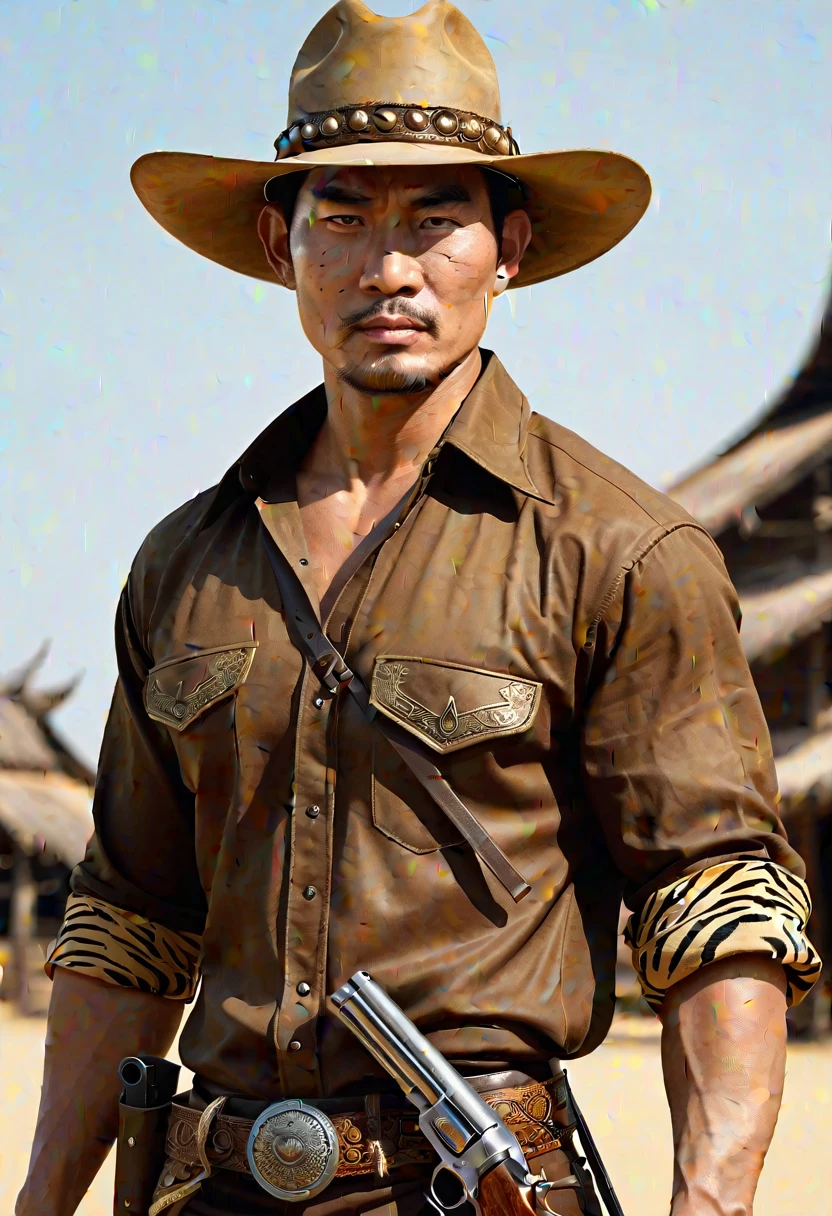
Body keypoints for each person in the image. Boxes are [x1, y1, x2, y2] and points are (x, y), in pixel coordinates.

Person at [17, 3, 821, 1215]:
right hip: (208, 1186)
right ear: (277, 242)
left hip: (470, 1184)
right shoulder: (183, 563)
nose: (387, 267)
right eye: (340, 217)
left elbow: (717, 909)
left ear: (508, 246)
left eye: (434, 220)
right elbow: (129, 918)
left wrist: (707, 1204)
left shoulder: (620, 548)